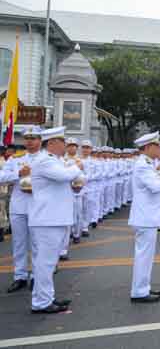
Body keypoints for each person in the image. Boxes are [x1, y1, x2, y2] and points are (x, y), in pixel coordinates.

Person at [29, 126, 83, 313]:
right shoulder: (44, 161)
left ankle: (46, 298)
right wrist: (77, 167)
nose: (66, 146)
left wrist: (75, 180)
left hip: (54, 218)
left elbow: (70, 179)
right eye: (63, 142)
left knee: (49, 263)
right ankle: (41, 302)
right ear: (51, 143)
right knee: (45, 263)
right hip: (47, 219)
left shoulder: (55, 160)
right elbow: (66, 175)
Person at [128, 131, 160, 303]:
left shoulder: (147, 163)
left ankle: (142, 288)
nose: (159, 148)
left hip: (147, 217)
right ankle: (139, 291)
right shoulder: (143, 165)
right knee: (144, 256)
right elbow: (155, 186)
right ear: (148, 147)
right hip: (145, 217)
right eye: (156, 145)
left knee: (146, 256)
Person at [1, 126, 43, 294]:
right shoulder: (15, 159)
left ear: (40, 140)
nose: (30, 142)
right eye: (27, 138)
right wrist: (18, 173)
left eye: (33, 138)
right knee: (19, 243)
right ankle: (20, 276)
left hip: (38, 206)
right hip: (18, 206)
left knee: (37, 244)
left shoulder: (46, 159)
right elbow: (1, 177)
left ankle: (36, 276)